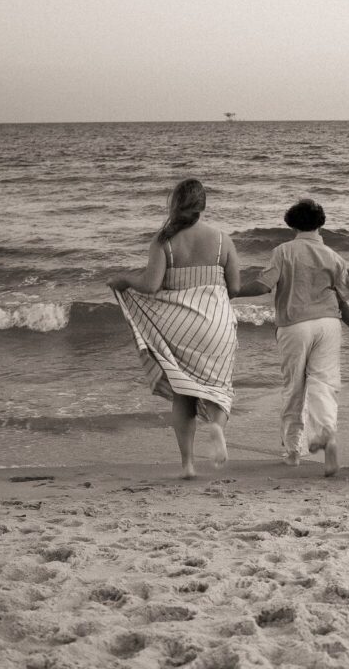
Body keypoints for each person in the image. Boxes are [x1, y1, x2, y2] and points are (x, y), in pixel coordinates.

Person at [108, 178, 240, 480]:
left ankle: (188, 465)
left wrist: (125, 280)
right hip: (217, 324)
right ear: (203, 205)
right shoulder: (223, 240)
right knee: (218, 389)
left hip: (179, 328)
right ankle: (217, 427)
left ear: (175, 203)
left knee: (184, 393)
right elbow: (233, 288)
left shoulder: (164, 241)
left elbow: (150, 286)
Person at [235, 199, 349, 476]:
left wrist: (232, 290)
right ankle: (326, 433)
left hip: (295, 325)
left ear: (292, 224)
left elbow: (263, 286)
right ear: (320, 223)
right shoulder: (333, 257)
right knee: (323, 384)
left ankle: (292, 451)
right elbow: (341, 302)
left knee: (294, 387)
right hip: (328, 325)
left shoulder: (283, 252)